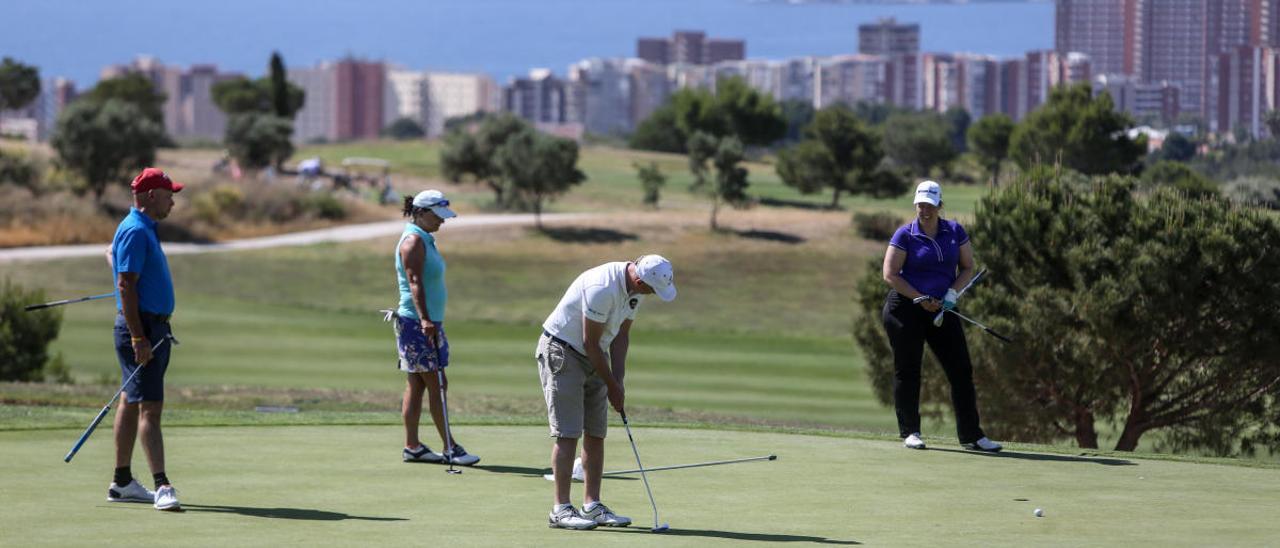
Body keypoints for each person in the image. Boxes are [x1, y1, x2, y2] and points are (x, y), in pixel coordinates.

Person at [537, 255, 677, 530]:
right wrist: (611, 385)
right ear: (639, 279)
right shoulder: (602, 286)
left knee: (596, 432)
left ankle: (592, 506)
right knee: (568, 433)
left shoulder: (636, 289)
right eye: (651, 289)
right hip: (563, 352)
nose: (652, 295)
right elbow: (590, 342)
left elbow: (622, 335)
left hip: (595, 355)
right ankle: (561, 509)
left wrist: (619, 380)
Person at [880, 180, 1002, 453]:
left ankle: (972, 435)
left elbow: (967, 267)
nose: (925, 210)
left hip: (943, 309)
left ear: (939, 205)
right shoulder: (905, 235)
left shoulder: (954, 231)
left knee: (961, 370)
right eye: (921, 204)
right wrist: (919, 298)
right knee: (908, 370)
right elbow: (890, 274)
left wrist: (951, 294)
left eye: (930, 205)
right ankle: (910, 432)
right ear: (916, 204)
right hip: (905, 309)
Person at [106, 168, 184, 511]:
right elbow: (125, 285)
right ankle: (161, 485)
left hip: (151, 328)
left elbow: (123, 270)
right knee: (150, 408)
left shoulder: (142, 229)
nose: (172, 201)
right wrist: (139, 336)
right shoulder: (136, 231)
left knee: (131, 400)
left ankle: (122, 482)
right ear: (151, 195)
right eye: (169, 195)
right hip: (144, 330)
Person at [393, 190, 479, 467]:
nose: (442, 222)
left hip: (421, 321)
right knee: (437, 384)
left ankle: (413, 447)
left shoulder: (425, 239)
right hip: (419, 323)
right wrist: (426, 320)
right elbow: (414, 283)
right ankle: (450, 447)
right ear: (421, 212)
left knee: (417, 385)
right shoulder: (413, 242)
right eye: (438, 216)